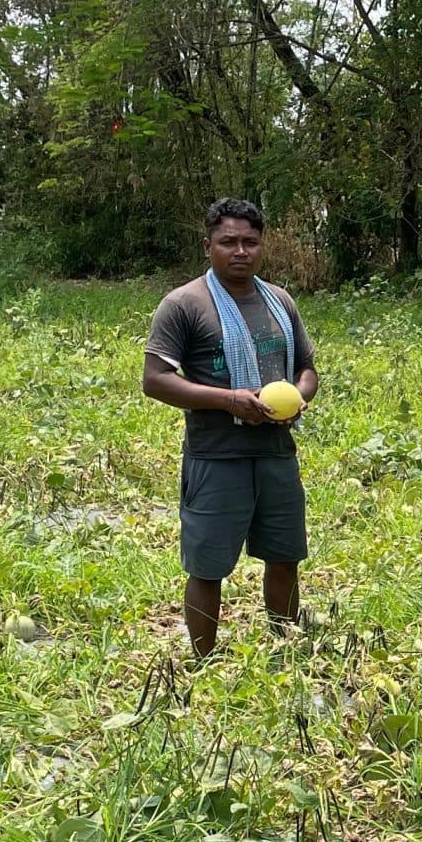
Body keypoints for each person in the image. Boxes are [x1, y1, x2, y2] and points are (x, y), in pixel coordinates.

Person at [143, 198, 320, 658]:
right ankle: (202, 661)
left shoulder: (280, 301)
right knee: (208, 566)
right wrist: (229, 401)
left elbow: (306, 368)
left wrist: (300, 395)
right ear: (209, 246)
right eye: (228, 242)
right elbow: (155, 380)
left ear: (262, 245)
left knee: (285, 556)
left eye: (250, 242)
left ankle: (287, 650)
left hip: (276, 453)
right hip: (216, 454)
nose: (240, 251)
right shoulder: (184, 305)